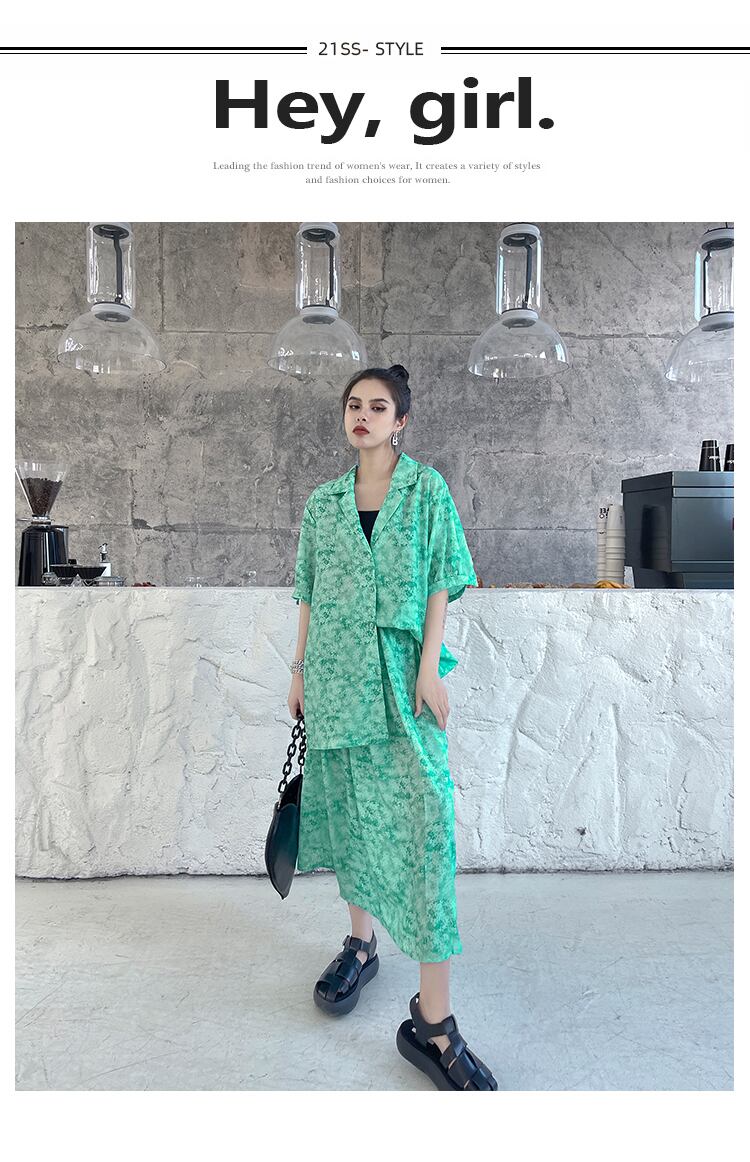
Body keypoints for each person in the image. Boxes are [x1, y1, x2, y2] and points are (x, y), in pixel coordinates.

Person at [287, 363, 497, 1091]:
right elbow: (308, 590)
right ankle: (360, 944)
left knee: (426, 827)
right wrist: (298, 671)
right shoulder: (322, 504)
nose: (364, 415)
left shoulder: (426, 490)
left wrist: (430, 668)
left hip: (406, 679)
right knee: (353, 817)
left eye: (378, 407)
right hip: (337, 680)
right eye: (355, 405)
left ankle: (432, 1022)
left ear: (400, 421)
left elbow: (441, 578)